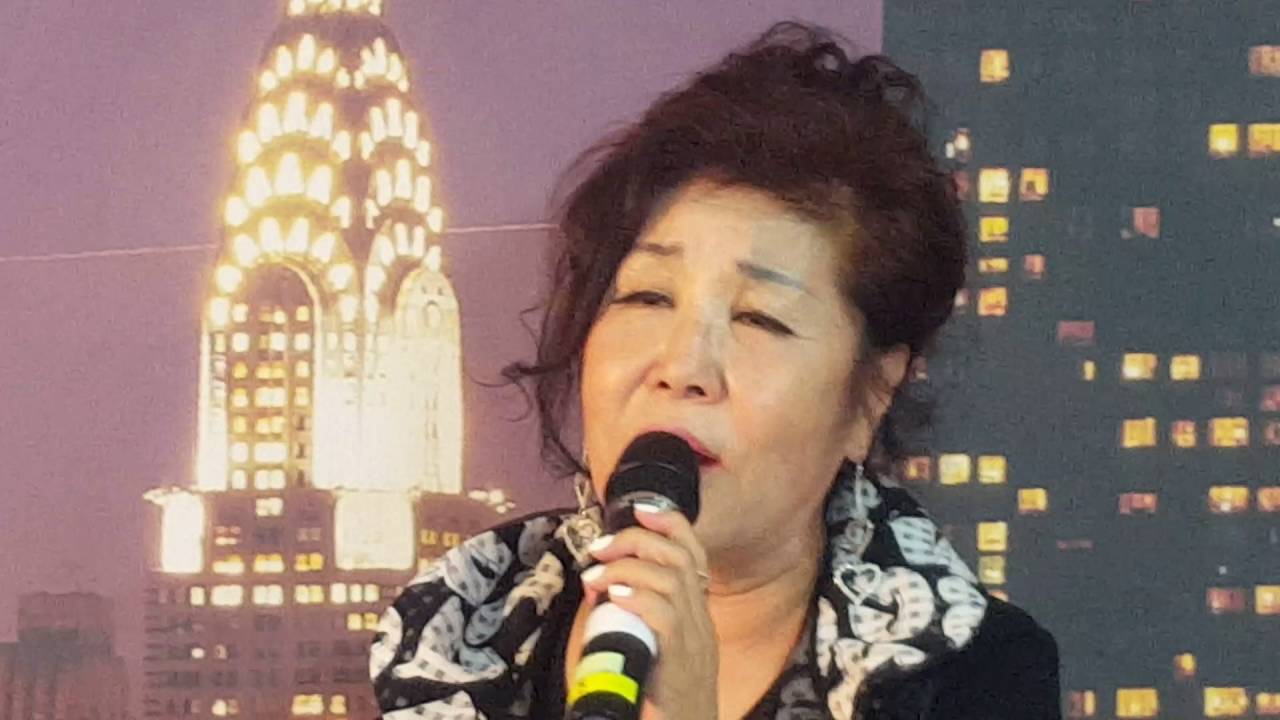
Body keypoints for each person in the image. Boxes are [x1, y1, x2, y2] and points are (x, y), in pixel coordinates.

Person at [370, 20, 1060, 720]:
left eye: (759, 318)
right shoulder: (462, 636)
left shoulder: (972, 677)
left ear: (871, 394)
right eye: (647, 297)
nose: (683, 367)